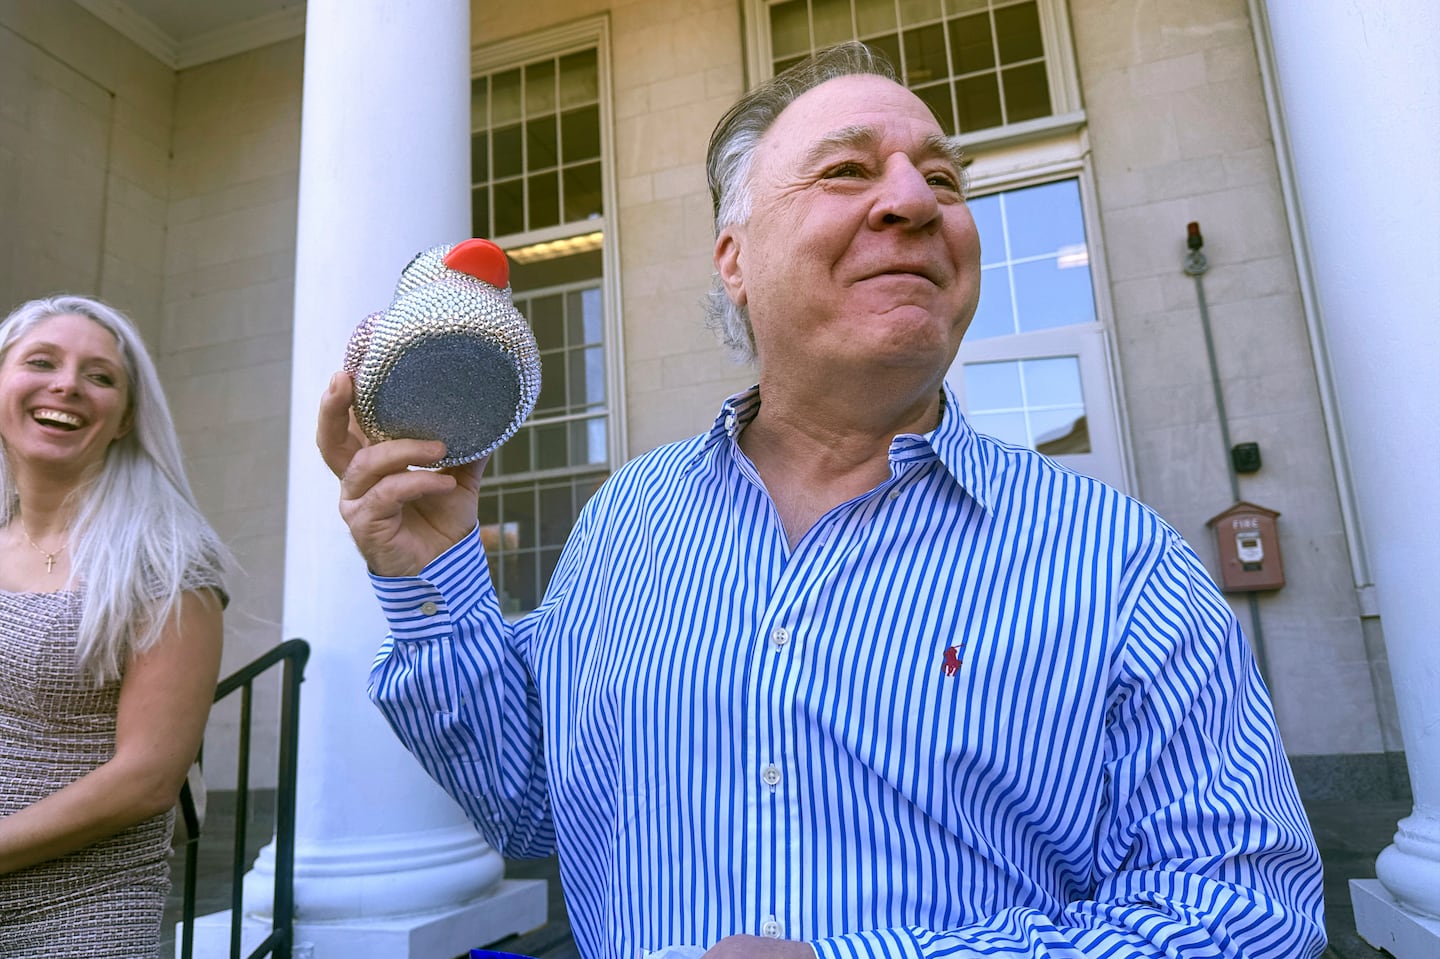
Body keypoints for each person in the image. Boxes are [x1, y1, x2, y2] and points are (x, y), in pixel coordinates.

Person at [319, 41, 1325, 959]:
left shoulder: (1120, 565)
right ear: (734, 258)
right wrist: (431, 569)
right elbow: (528, 803)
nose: (916, 202)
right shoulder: (625, 523)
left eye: (942, 177)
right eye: (847, 169)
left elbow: (1248, 918)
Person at [0, 295, 231, 957]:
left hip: (77, 916)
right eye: (41, 361)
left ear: (126, 416)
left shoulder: (168, 556)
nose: (66, 383)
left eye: (99, 375)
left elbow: (147, 779)